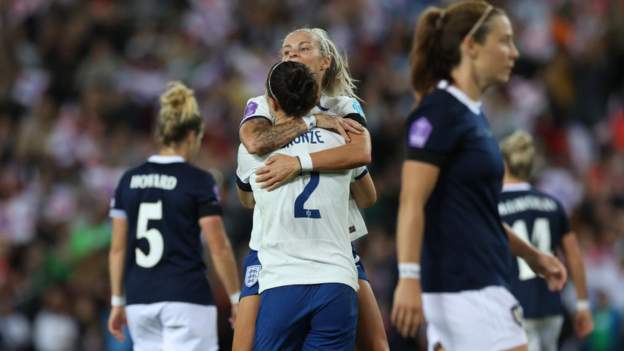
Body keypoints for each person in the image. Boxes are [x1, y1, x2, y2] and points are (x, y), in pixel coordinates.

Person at [390, 1, 568, 350]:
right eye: (504, 41)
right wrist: (407, 277)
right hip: (466, 290)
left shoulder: (472, 115)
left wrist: (533, 256)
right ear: (470, 45)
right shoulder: (439, 112)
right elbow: (412, 201)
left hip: (478, 284)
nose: (513, 53)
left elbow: (478, 212)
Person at [233, 27, 388, 351]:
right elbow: (254, 139)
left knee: (376, 343)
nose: (292, 54)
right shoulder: (262, 102)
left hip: (329, 243)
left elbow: (361, 153)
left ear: (325, 62)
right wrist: (313, 124)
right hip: (275, 250)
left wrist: (297, 162)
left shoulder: (342, 105)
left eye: (303, 48)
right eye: (287, 50)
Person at [107, 82, 240, 351]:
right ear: (192, 135)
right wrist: (236, 298)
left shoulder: (128, 180)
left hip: (139, 302)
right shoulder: (198, 180)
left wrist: (117, 302)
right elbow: (218, 245)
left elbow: (118, 248)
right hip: (185, 297)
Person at [499, 131, 593, 351]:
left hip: (512, 307)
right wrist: (583, 305)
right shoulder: (552, 204)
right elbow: (574, 258)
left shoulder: (492, 205)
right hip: (550, 306)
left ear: (503, 162)